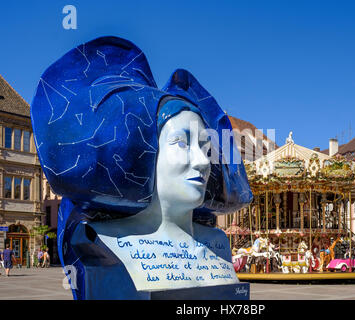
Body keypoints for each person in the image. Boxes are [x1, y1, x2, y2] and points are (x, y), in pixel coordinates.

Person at [30, 36, 252, 300]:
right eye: (182, 142)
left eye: (206, 148)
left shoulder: (217, 243)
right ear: (146, 153)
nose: (202, 161)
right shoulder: (102, 243)